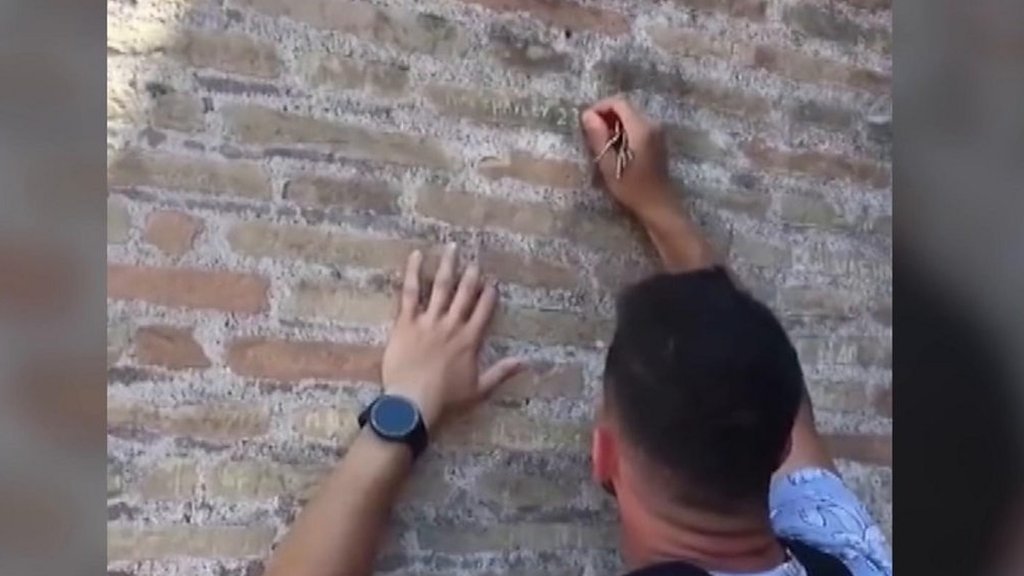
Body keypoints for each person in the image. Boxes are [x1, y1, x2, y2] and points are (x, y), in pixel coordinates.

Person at [261, 97, 894, 576]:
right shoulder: (849, 557)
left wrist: (405, 409)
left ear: (604, 458)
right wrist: (661, 209)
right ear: (780, 444)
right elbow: (743, 354)